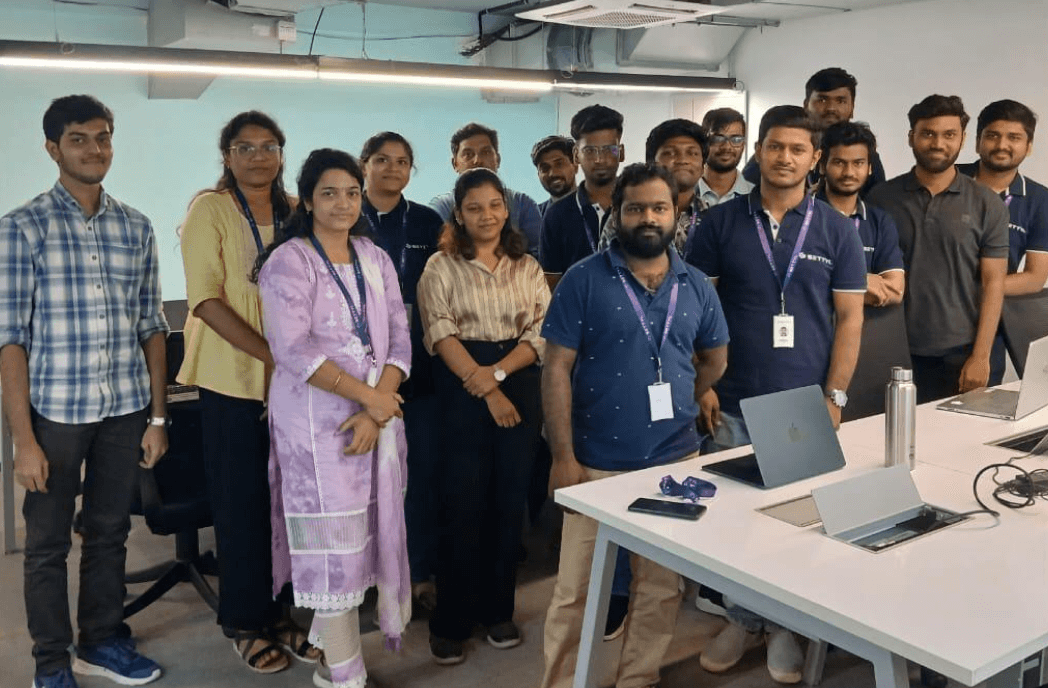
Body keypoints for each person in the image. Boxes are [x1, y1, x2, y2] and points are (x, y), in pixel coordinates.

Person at [687, 105, 866, 684]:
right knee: (735, 522)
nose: (784, 157)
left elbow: (850, 320)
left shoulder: (838, 229)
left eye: (797, 149)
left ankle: (788, 625)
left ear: (814, 159)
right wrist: (703, 385)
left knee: (794, 521)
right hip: (733, 398)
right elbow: (698, 313)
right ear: (757, 152)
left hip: (803, 404)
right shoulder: (718, 225)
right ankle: (742, 619)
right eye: (774, 147)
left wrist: (835, 395)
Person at [539, 162, 729, 688]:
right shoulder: (583, 279)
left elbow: (714, 359)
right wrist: (562, 455)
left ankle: (638, 679)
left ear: (677, 213)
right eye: (636, 208)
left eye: (659, 207)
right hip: (594, 462)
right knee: (577, 589)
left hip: (675, 460)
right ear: (617, 214)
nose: (648, 217)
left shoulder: (695, 285)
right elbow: (556, 367)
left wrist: (685, 399)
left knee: (660, 586)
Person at [0, 94, 167, 688]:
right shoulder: (21, 229)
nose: (94, 149)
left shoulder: (136, 227)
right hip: (56, 417)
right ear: (53, 149)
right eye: (78, 138)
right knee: (46, 543)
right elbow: (10, 341)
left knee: (110, 532)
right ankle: (51, 661)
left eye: (103, 137)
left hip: (124, 411)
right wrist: (23, 440)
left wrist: (158, 417)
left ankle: (101, 640)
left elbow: (153, 326)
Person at [257, 148, 412, 688]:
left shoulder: (375, 256)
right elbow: (292, 350)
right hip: (317, 430)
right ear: (308, 199)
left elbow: (399, 338)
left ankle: (329, 660)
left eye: (351, 192)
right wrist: (369, 400)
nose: (343, 203)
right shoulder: (289, 262)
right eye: (329, 193)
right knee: (334, 557)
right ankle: (346, 676)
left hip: (377, 422)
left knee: (364, 541)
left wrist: (379, 404)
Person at [177, 110, 318, 673]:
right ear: (227, 156)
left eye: (268, 146)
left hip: (295, 385)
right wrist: (276, 357)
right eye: (244, 147)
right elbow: (205, 299)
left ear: (282, 154)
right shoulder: (209, 209)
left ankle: (283, 614)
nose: (258, 156)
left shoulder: (296, 213)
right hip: (232, 380)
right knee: (240, 505)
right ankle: (244, 620)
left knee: (290, 506)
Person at [417, 167, 550, 665]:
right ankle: (452, 619)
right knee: (461, 503)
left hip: (516, 377)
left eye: (494, 204)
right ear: (459, 213)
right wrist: (484, 383)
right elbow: (440, 331)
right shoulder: (440, 266)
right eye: (474, 207)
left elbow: (540, 331)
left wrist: (496, 377)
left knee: (507, 500)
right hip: (461, 383)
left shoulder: (527, 266)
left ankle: (498, 611)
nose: (486, 215)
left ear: (506, 208)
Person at [867, 95, 1008, 401]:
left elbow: (993, 282)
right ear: (911, 137)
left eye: (949, 135)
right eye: (928, 133)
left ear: (963, 139)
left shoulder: (987, 203)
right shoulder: (880, 199)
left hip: (962, 354)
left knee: (962, 446)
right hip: (893, 351)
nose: (938, 143)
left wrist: (981, 356)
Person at [359, 131, 445, 613]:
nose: (392, 169)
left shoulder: (428, 220)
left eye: (402, 161)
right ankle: (368, 572)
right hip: (358, 370)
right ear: (363, 164)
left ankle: (419, 570)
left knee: (421, 473)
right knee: (366, 477)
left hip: (421, 367)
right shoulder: (347, 216)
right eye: (382, 160)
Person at [957, 100, 1048, 381]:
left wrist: (968, 290)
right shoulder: (950, 179)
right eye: (993, 135)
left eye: (1014, 137)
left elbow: (1034, 277)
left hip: (988, 332)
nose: (1001, 144)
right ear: (977, 142)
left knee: (976, 418)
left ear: (1029, 146)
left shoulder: (1040, 200)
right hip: (926, 324)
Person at [742, 68, 887, 193]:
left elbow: (876, 203)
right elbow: (745, 193)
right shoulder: (775, 151)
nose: (831, 108)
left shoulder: (866, 155)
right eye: (822, 100)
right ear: (806, 105)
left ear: (852, 108)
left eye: (841, 101)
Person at [817, 121, 905, 307]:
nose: (849, 172)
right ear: (822, 166)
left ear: (870, 168)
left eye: (858, 163)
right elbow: (796, 285)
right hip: (809, 332)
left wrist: (825, 282)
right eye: (839, 162)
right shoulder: (802, 215)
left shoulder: (879, 221)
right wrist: (864, 281)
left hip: (863, 333)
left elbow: (895, 290)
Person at [540, 104, 625, 288]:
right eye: (589, 151)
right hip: (577, 314)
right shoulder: (557, 215)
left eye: (608, 150)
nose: (599, 159)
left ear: (621, 153)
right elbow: (551, 286)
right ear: (576, 155)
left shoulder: (639, 207)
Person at [428, 122, 543, 256]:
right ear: (455, 164)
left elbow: (538, 258)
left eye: (486, 152)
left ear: (498, 160)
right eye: (468, 154)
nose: (477, 160)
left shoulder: (524, 205)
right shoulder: (441, 207)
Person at [699, 107, 755, 207]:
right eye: (718, 138)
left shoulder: (759, 198)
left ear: (743, 144)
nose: (727, 147)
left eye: (736, 139)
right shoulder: (681, 196)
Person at [531, 135, 578, 216]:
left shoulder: (599, 210)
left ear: (575, 166)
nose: (553, 173)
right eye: (545, 168)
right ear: (538, 174)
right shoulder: (534, 218)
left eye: (559, 164)